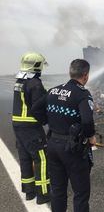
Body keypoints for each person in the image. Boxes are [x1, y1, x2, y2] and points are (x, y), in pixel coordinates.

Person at [46, 59, 96, 212]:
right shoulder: (82, 94)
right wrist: (91, 136)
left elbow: (36, 108)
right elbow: (87, 120)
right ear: (85, 75)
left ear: (70, 72)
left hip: (53, 145)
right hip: (72, 149)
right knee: (80, 193)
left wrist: (49, 122)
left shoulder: (53, 90)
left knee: (58, 190)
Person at [12, 52, 50, 204]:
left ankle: (29, 191)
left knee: (25, 157)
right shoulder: (35, 83)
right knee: (41, 158)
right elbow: (37, 107)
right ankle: (44, 194)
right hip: (30, 126)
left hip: (18, 125)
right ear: (37, 65)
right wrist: (45, 120)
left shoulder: (19, 80)